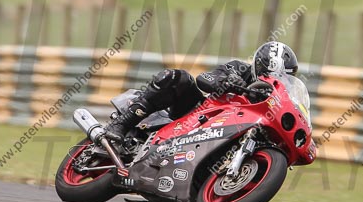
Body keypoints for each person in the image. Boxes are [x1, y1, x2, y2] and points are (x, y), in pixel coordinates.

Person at [104, 42, 299, 142]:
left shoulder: (273, 101)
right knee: (179, 78)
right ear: (260, 65)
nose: (274, 81)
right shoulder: (240, 69)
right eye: (272, 74)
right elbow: (204, 79)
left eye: (282, 79)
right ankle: (121, 124)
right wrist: (227, 81)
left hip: (226, 133)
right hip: (197, 117)